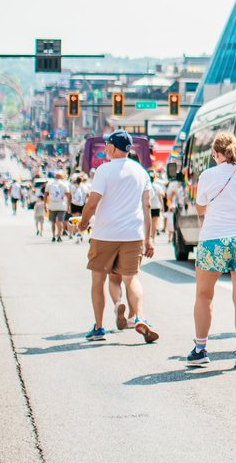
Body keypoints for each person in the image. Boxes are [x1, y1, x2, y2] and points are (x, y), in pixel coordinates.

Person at [189, 132, 236, 369]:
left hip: (214, 237)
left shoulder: (208, 175)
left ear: (216, 154)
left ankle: (201, 349)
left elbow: (200, 207)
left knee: (204, 294)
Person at [76, 131, 159, 344]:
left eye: (107, 145)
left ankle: (99, 327)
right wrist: (149, 238)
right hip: (133, 234)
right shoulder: (141, 172)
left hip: (105, 234)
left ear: (113, 147)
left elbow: (93, 202)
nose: (105, 149)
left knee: (98, 280)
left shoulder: (104, 170)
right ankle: (139, 316)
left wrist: (83, 223)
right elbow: (147, 206)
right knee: (132, 278)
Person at [45, 170, 71, 242]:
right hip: (62, 206)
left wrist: (45, 204)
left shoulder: (50, 184)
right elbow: (68, 195)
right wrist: (68, 206)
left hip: (52, 205)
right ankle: (59, 235)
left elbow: (46, 195)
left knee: (53, 222)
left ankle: (53, 236)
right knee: (60, 221)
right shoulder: (64, 184)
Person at [70, 174, 88, 243]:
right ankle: (80, 234)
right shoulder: (84, 187)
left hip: (74, 204)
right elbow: (87, 196)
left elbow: (70, 196)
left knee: (75, 219)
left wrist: (69, 206)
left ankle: (76, 233)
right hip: (82, 204)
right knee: (81, 219)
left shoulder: (72, 187)